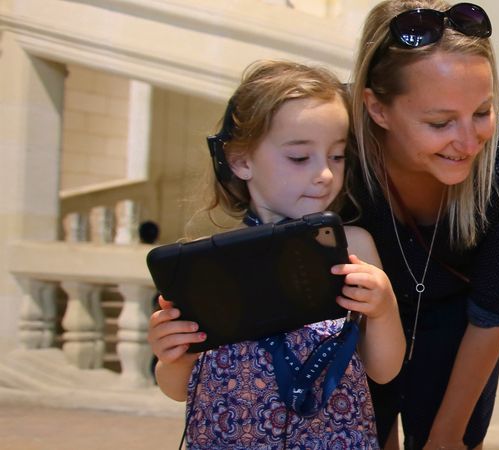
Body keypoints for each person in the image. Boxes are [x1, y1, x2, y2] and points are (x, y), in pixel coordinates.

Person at [147, 60, 406, 449]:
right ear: (241, 160)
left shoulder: (355, 247)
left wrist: (383, 308)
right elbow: (177, 388)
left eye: (337, 156)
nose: (325, 174)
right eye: (300, 157)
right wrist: (172, 355)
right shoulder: (209, 265)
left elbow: (384, 371)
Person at [346, 1, 499, 449]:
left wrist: (447, 436)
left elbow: (494, 309)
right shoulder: (335, 143)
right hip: (355, 326)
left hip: (458, 334)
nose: (467, 140)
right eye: (439, 122)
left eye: (481, 112)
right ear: (377, 109)